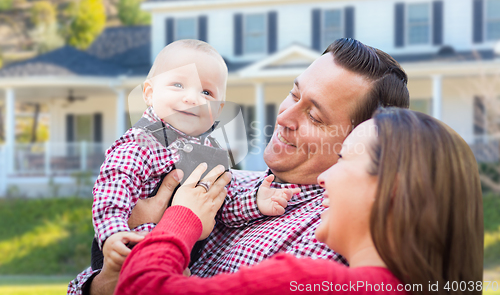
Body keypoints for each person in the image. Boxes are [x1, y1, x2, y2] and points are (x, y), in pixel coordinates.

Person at [72, 38, 411, 294]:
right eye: (294, 95)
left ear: (361, 139)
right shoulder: (228, 181)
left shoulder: (328, 235)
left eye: (315, 116)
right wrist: (109, 271)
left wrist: (176, 221)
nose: (283, 117)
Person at [115, 108, 484, 295]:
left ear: (391, 189)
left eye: (344, 160)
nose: (325, 179)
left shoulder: (308, 281)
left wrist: (182, 216)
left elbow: (142, 288)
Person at [68, 40, 298, 295]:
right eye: (178, 85)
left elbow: (220, 204)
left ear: (218, 110)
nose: (192, 98)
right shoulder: (141, 142)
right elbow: (113, 190)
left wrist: (255, 202)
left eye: (207, 93)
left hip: (178, 262)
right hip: (130, 247)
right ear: (149, 93)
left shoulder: (212, 153)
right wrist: (113, 234)